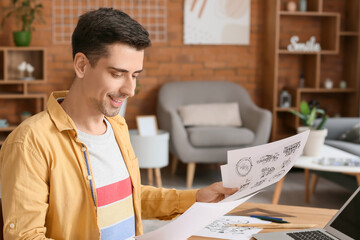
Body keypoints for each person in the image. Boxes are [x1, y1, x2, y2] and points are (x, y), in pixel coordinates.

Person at [0, 8, 238, 240]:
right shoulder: (30, 143)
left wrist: (196, 198)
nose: (130, 90)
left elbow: (128, 196)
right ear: (82, 65)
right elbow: (25, 237)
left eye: (135, 75)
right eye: (117, 74)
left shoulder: (117, 126)